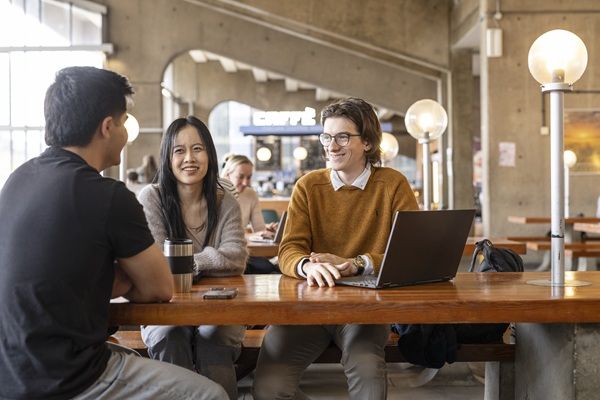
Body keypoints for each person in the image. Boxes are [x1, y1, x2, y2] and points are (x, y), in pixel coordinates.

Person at [0, 66, 226, 399]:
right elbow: (160, 287)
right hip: (69, 377)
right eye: (124, 123)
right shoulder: (109, 195)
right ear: (108, 127)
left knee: (133, 358)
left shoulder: (17, 180)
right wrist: (121, 276)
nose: (125, 132)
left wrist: (105, 275)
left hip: (12, 372)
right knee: (211, 395)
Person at [252, 97, 419, 400]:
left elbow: (410, 254)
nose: (331, 145)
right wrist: (307, 266)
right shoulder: (307, 185)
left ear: (367, 142)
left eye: (343, 136)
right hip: (308, 308)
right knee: (267, 388)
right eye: (327, 136)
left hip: (367, 312)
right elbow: (289, 249)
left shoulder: (393, 184)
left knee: (368, 376)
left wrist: (358, 263)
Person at [139, 116, 248, 400]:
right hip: (165, 306)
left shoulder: (226, 201)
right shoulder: (152, 198)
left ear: (210, 155)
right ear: (167, 157)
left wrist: (190, 264)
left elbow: (236, 257)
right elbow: (156, 263)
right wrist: (212, 261)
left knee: (216, 336)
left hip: (221, 306)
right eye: (179, 151)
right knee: (169, 335)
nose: (189, 158)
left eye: (198, 149)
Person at [222, 154, 279, 274]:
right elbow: (221, 237)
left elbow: (259, 229)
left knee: (272, 268)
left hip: (244, 253)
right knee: (269, 268)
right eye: (240, 176)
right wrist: (252, 235)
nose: (245, 182)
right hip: (224, 254)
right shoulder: (217, 194)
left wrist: (266, 233)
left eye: (249, 177)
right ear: (227, 175)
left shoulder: (251, 195)